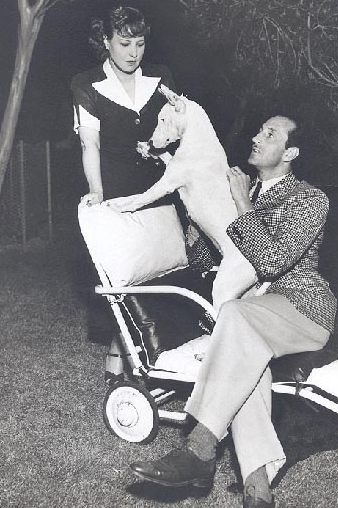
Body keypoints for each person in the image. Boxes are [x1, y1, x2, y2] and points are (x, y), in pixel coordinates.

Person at [129, 115, 337, 508]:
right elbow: (209, 258)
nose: (257, 137)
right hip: (252, 318)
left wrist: (242, 205)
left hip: (303, 308)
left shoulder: (309, 199)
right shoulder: (238, 189)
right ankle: (258, 493)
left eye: (270, 134)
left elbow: (273, 261)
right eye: (259, 130)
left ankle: (200, 449)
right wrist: (194, 214)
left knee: (237, 318)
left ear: (290, 153)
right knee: (245, 354)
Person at [71, 4, 197, 379]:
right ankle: (119, 358)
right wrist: (97, 191)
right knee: (123, 277)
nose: (132, 52)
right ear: (105, 41)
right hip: (117, 191)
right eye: (124, 43)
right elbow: (88, 144)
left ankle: (159, 358)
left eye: (140, 44)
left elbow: (178, 130)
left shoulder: (162, 77)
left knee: (163, 272)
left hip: (159, 190)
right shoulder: (86, 83)